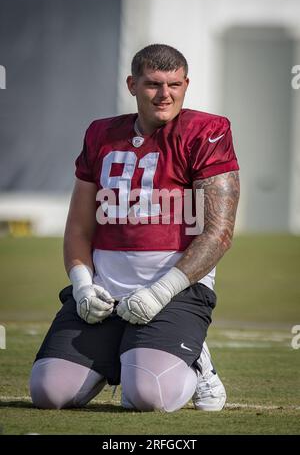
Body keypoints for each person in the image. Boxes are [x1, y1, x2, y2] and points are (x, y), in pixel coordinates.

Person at [30, 44, 240, 412]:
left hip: (174, 292)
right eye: (153, 84)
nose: (165, 94)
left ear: (186, 84)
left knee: (148, 396)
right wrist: (82, 286)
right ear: (131, 84)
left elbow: (218, 232)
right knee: (49, 393)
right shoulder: (101, 134)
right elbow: (79, 227)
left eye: (174, 84)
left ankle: (197, 362)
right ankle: (123, 350)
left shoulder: (207, 131)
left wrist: (159, 294)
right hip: (105, 290)